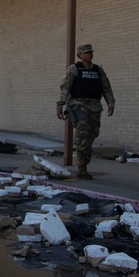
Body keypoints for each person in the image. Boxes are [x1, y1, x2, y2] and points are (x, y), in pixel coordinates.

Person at [56, 43, 115, 179]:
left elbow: (106, 87)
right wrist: (60, 105)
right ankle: (82, 167)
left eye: (90, 52)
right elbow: (65, 88)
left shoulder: (98, 70)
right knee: (82, 132)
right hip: (78, 104)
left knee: (92, 134)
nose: (89, 55)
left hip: (94, 105)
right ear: (80, 55)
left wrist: (111, 103)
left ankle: (84, 160)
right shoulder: (74, 69)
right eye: (86, 52)